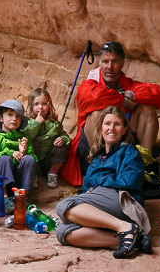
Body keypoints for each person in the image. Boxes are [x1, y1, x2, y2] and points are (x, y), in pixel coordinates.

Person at [60, 41, 160, 186]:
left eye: (115, 61)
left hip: (123, 143)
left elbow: (159, 94)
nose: (109, 67)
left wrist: (133, 96)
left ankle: (143, 163)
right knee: (97, 113)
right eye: (105, 61)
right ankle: (99, 165)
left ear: (122, 63)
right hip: (92, 150)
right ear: (99, 64)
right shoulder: (89, 84)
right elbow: (95, 97)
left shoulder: (127, 85)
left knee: (147, 108)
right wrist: (123, 101)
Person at [55, 106, 152, 258]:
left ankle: (124, 226)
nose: (111, 128)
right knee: (63, 232)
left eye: (117, 124)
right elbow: (87, 186)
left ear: (125, 129)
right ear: (101, 128)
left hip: (122, 199)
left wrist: (98, 182)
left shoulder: (130, 152)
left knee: (63, 206)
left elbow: (130, 181)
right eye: (107, 124)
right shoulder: (98, 156)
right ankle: (135, 238)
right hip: (102, 200)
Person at [0, 99, 39, 198]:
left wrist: (23, 154)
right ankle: (4, 197)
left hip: (17, 183)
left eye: (18, 116)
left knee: (29, 159)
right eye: (10, 115)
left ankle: (23, 196)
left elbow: (33, 161)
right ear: (0, 118)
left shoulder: (23, 139)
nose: (14, 119)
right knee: (4, 159)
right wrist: (9, 153)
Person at [22, 89, 70, 188]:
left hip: (49, 161)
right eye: (36, 104)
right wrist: (36, 123)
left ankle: (53, 174)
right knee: (32, 143)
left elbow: (65, 136)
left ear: (49, 105)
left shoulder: (54, 123)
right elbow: (27, 136)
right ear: (31, 105)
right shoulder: (27, 121)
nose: (40, 107)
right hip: (35, 162)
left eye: (44, 104)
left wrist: (62, 139)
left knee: (61, 146)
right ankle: (32, 175)